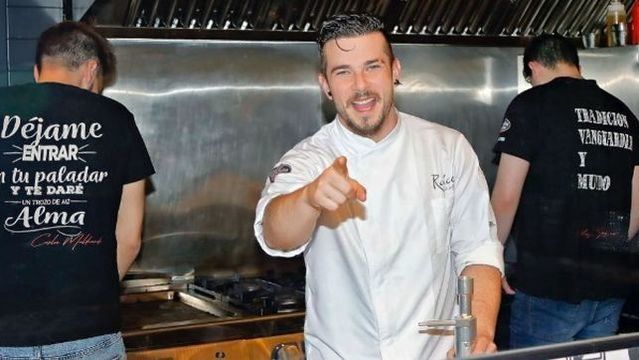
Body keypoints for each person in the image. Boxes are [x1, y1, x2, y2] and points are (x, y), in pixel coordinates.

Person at [254, 13, 504, 359]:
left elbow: (478, 250)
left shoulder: (448, 148)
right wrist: (309, 199)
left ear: (395, 70)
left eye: (372, 66)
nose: (360, 86)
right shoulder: (312, 158)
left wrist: (478, 336)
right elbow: (274, 233)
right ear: (325, 84)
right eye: (343, 72)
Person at [0, 22, 154, 359]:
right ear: (91, 70)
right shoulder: (116, 118)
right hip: (88, 331)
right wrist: (90, 299)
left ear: (38, 70)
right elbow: (129, 239)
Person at [491, 34, 639, 349]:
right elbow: (637, 206)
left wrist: (491, 256)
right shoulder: (624, 113)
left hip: (549, 285)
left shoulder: (531, 105)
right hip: (610, 285)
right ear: (576, 64)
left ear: (532, 67)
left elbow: (505, 197)